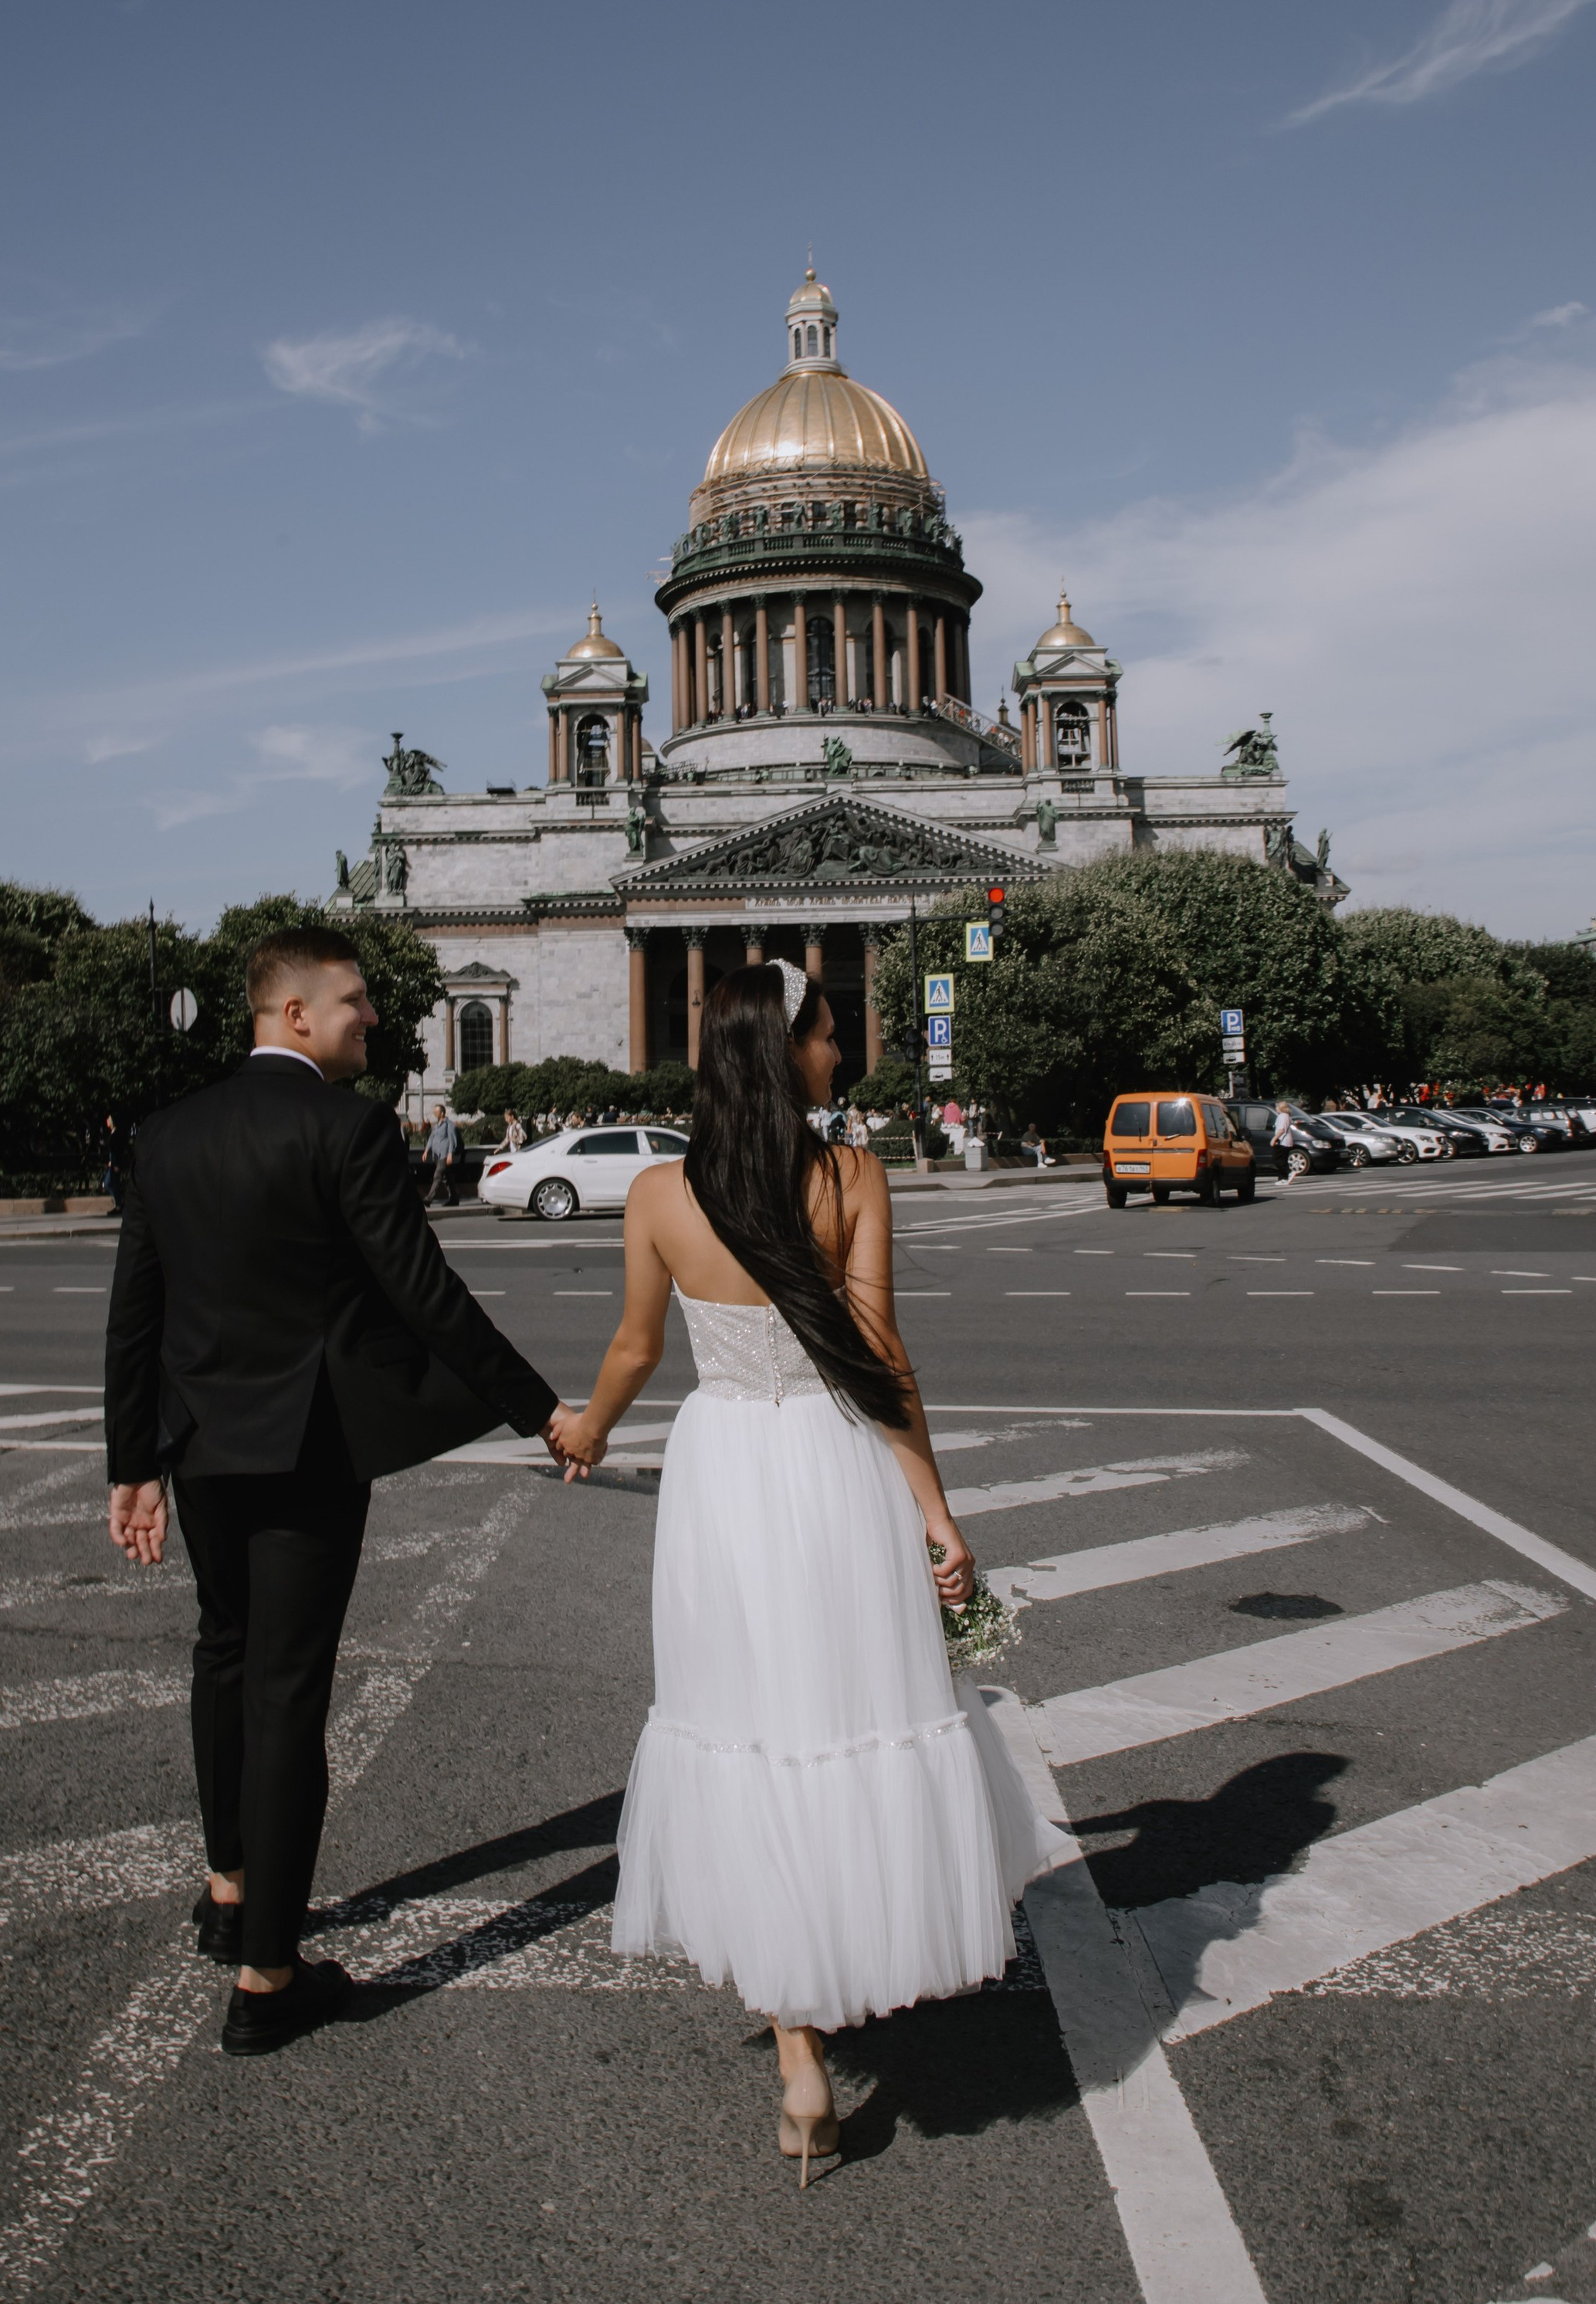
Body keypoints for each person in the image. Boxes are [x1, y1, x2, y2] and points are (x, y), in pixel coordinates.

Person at [552, 963, 1059, 2185]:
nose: (842, 1051)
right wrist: (935, 1511)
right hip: (833, 1466)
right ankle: (842, 1958)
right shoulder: (849, 1176)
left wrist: (589, 1429)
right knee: (849, 1718)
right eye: (829, 1035)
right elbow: (881, 1356)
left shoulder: (663, 1193)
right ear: (789, 1052)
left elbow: (634, 1346)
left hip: (722, 1474)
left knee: (751, 1726)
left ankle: (797, 2056)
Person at [103, 928, 578, 2058]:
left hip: (200, 1443)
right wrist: (539, 1407)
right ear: (295, 1017)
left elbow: (136, 1314)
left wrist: (132, 1464)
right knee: (287, 1692)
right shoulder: (348, 1127)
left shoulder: (169, 1136)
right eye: (357, 1003)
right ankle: (270, 1976)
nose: (377, 1020)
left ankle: (228, 1892)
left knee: (224, 1654)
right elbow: (425, 1293)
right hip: (310, 1445)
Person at [423, 1103, 463, 1208]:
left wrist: (450, 1154)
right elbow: (432, 1138)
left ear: (442, 1113)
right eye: (434, 1112)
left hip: (444, 1155)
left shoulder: (449, 1125)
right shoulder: (436, 1126)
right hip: (437, 1155)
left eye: (436, 1112)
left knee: (437, 1175)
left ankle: (429, 1199)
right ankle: (454, 1198)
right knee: (447, 1177)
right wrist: (427, 1150)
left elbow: (452, 1140)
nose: (434, 1113)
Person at [1270, 1099, 1297, 1182]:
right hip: (1287, 1141)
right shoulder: (1287, 1116)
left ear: (1280, 1108)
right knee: (1283, 1159)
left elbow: (1281, 1130)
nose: (1276, 1109)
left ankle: (1290, 1172)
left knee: (1277, 1159)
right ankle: (1283, 1178)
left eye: (1277, 1107)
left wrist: (1274, 1139)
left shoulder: (1282, 1116)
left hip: (1283, 1141)